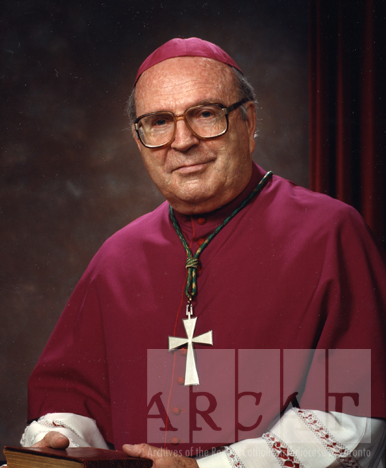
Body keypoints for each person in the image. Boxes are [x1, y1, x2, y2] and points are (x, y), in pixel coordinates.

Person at [20, 38, 386, 468]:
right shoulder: (118, 256)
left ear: (248, 121)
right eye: (158, 122)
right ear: (140, 141)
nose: (183, 141)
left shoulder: (329, 233)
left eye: (205, 114)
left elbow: (354, 426)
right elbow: (76, 398)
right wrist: (59, 438)